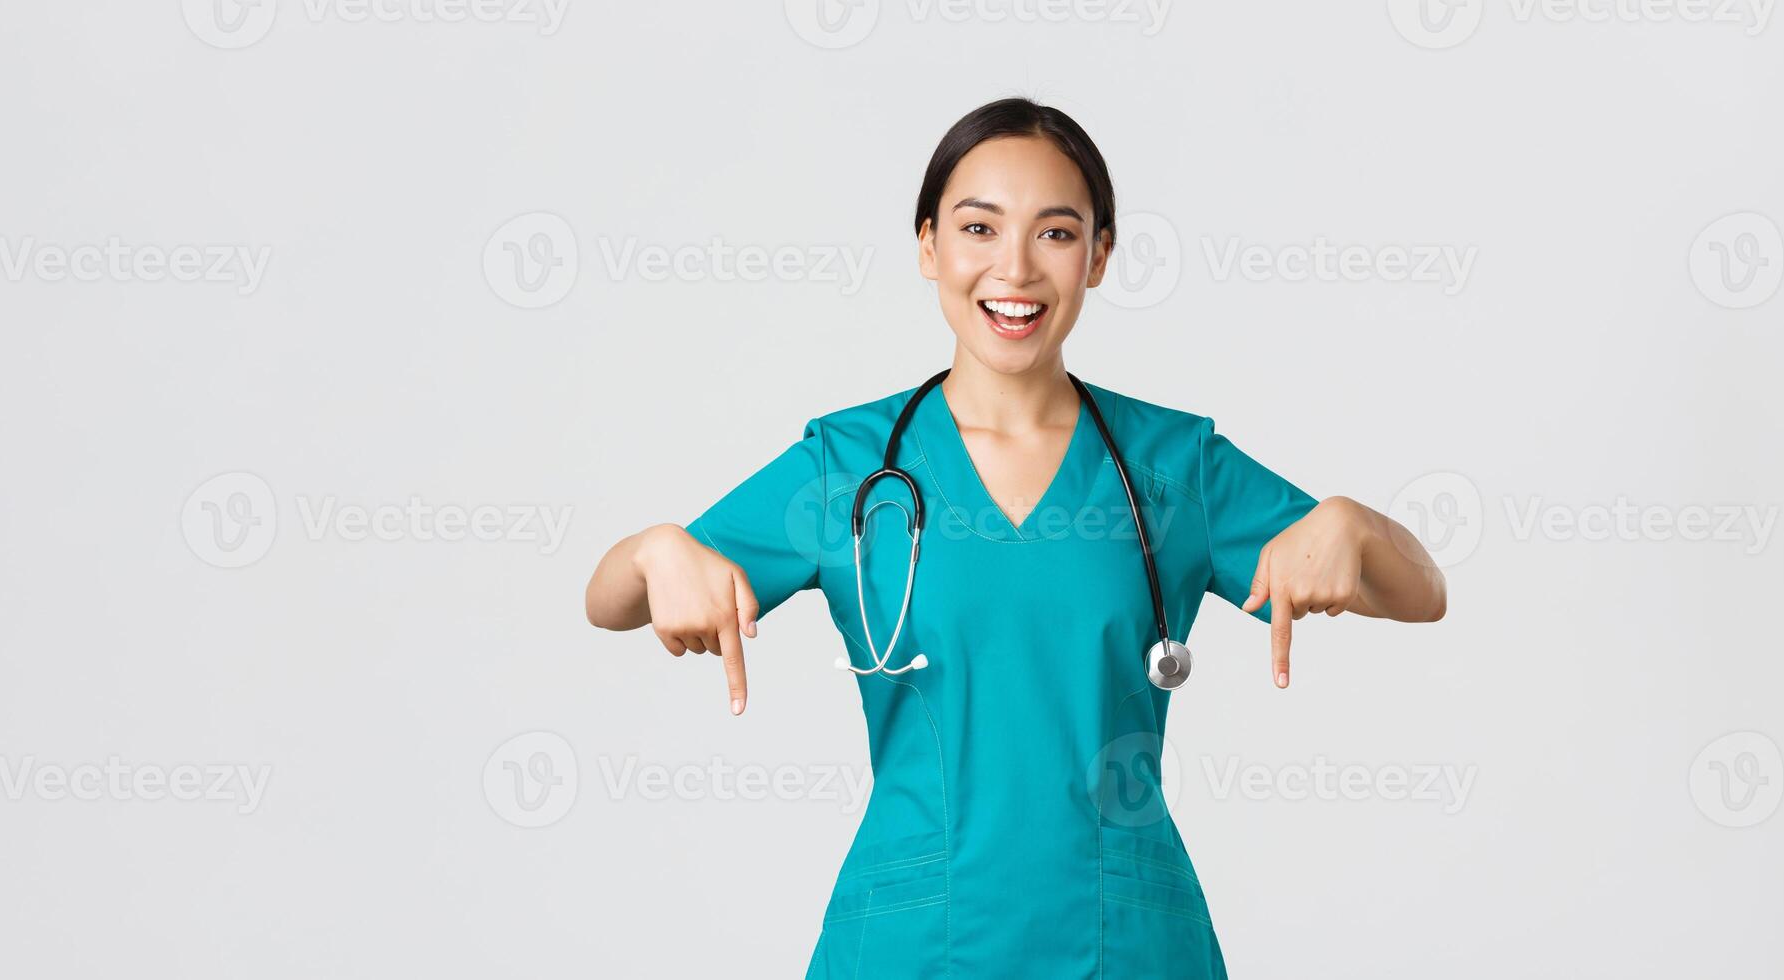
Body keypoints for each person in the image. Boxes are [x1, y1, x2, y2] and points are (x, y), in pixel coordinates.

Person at [583, 96, 1447, 979]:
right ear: (928, 246)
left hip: (1130, 948)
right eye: (978, 228)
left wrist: (1356, 523)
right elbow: (608, 603)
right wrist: (654, 550)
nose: (1015, 268)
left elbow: (1421, 594)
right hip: (909, 945)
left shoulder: (1169, 467)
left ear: (1099, 256)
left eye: (1057, 234)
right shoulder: (849, 469)